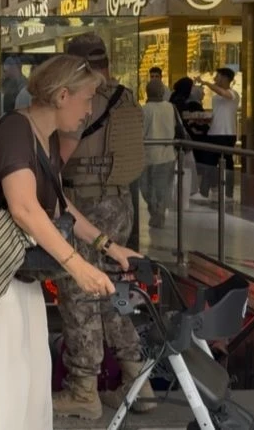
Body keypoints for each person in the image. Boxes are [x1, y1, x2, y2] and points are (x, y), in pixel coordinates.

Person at [0, 54, 139, 430]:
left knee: (30, 378)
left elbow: (59, 205)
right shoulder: (15, 129)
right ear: (62, 95)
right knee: (6, 386)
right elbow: (24, 208)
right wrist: (77, 265)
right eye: (86, 99)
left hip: (16, 271)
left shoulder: (45, 137)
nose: (89, 110)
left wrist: (107, 245)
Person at [53, 33, 151, 420]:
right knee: (115, 291)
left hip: (85, 205)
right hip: (121, 203)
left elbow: (59, 159)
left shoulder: (85, 99)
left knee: (80, 291)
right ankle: (137, 380)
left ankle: (83, 390)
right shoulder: (127, 98)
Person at [200, 67, 240, 201]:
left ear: (225, 78)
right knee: (209, 163)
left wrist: (206, 83)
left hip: (227, 134)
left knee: (227, 164)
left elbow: (224, 93)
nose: (215, 79)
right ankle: (206, 191)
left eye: (218, 76)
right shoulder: (216, 98)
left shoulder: (233, 94)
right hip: (214, 132)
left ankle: (228, 193)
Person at [141, 80, 176, 228]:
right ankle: (160, 211)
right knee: (163, 187)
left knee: (148, 187)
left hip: (149, 155)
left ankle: (155, 211)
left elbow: (141, 132)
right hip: (168, 154)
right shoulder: (170, 107)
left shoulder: (145, 110)